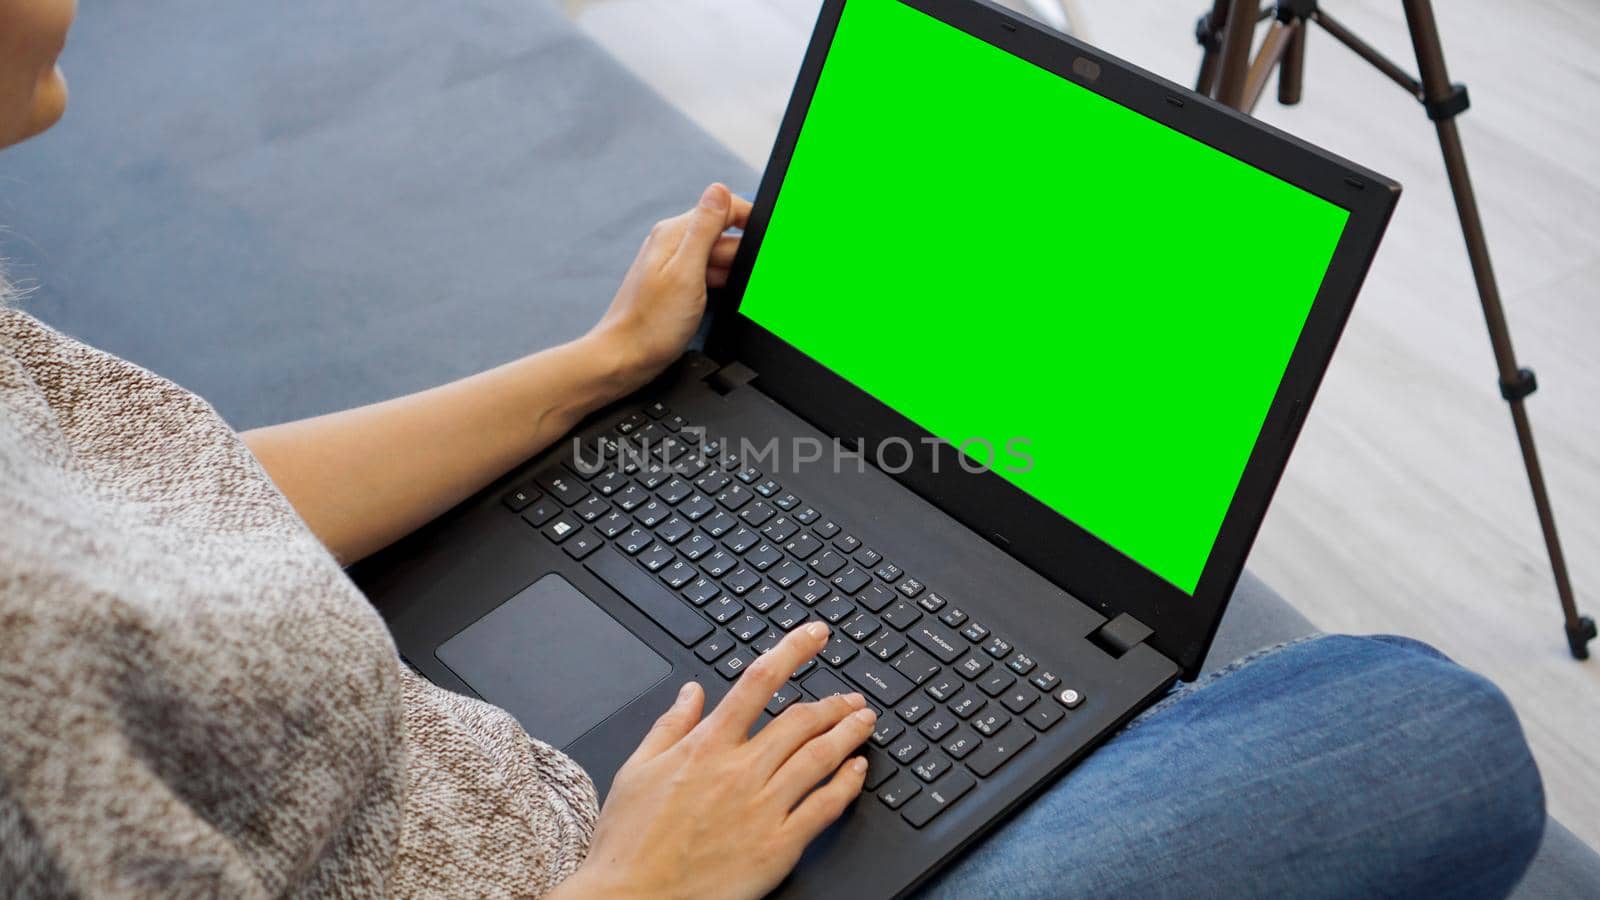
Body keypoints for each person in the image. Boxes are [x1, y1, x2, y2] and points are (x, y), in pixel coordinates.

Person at [0, 1, 1547, 897]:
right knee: (1424, 723)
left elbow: (151, 504)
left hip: (419, 749)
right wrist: (639, 884)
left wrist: (596, 371)